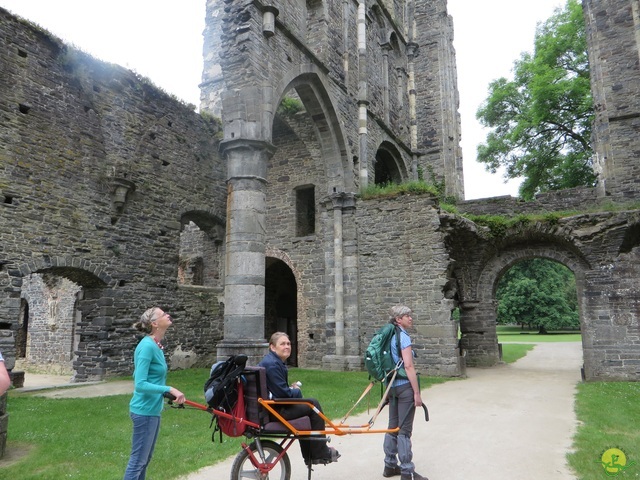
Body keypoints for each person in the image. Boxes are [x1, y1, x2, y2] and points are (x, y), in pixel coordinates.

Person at [258, 332, 340, 466]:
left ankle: (311, 455)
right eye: (282, 344)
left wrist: (289, 389)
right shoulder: (273, 364)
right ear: (272, 347)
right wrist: (296, 391)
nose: (287, 346)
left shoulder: (272, 361)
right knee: (313, 405)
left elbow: (278, 390)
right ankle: (320, 453)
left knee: (308, 408)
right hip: (275, 411)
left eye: (288, 344)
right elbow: (284, 396)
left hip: (271, 408)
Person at [124, 307, 185, 480]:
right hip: (143, 411)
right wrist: (168, 389)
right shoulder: (147, 346)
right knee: (138, 461)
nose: (168, 314)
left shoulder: (156, 345)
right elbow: (140, 383)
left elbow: (142, 376)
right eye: (163, 314)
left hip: (152, 410)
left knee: (144, 460)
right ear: (155, 323)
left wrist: (164, 392)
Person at [382, 305, 428, 480]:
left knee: (392, 426)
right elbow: (408, 366)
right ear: (398, 319)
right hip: (404, 388)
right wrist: (416, 392)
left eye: (410, 315)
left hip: (391, 387)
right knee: (404, 430)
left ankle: (389, 465)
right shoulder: (403, 337)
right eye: (407, 315)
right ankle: (407, 471)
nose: (410, 318)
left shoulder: (389, 336)